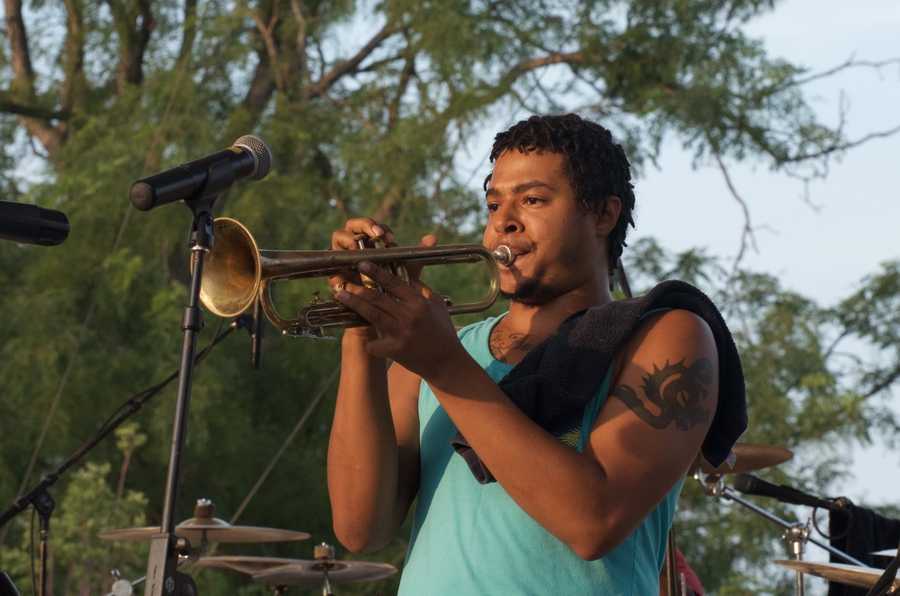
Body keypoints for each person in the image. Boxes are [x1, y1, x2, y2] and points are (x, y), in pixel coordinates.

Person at [326, 114, 721, 595]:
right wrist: (360, 331)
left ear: (602, 214)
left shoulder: (666, 334)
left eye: (532, 200)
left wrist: (444, 366)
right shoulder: (441, 352)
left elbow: (593, 521)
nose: (503, 221)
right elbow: (360, 528)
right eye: (494, 203)